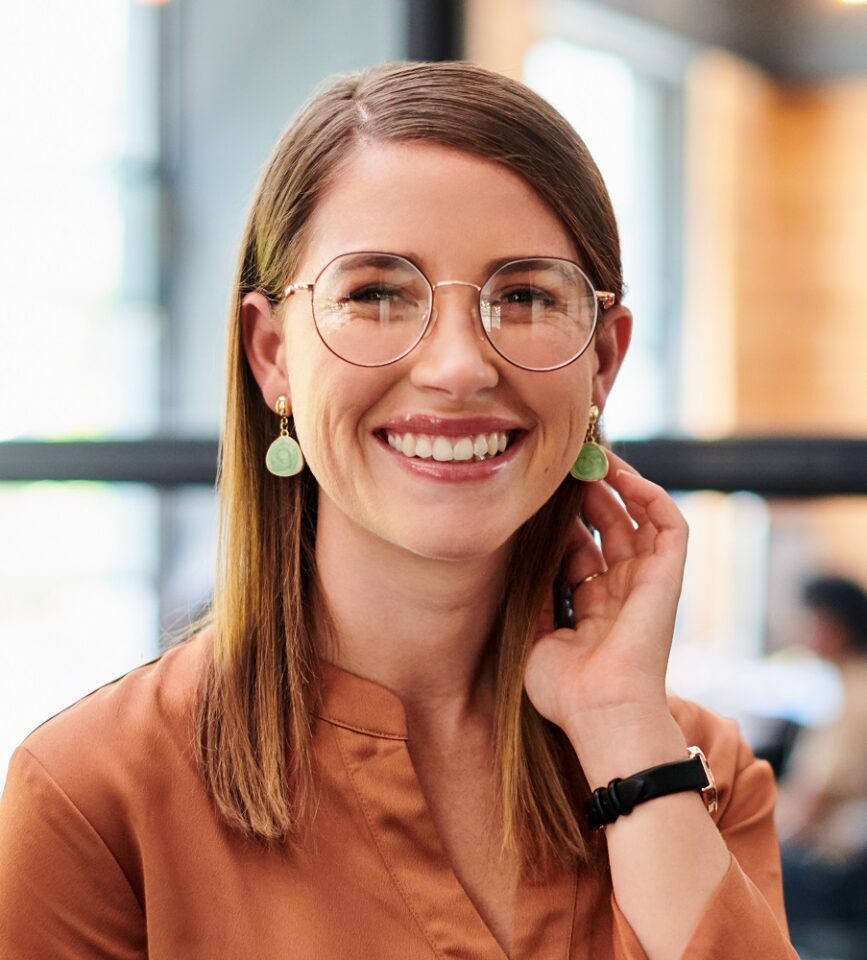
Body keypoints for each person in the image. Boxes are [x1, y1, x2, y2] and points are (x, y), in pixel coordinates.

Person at [0, 61, 797, 959]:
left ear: (601, 363)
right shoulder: (93, 795)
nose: (459, 367)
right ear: (272, 358)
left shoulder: (697, 770)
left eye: (525, 296)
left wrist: (621, 727)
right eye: (376, 294)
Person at [777, 575, 867, 924]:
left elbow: (812, 804)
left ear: (837, 628)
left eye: (811, 622)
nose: (803, 634)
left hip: (835, 868)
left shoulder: (852, 698)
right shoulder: (850, 683)